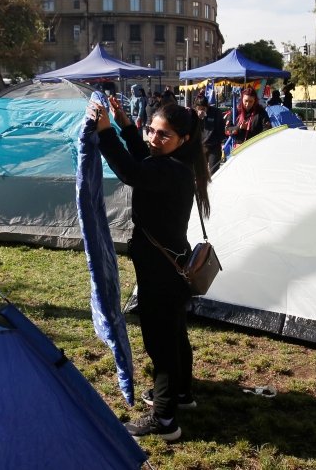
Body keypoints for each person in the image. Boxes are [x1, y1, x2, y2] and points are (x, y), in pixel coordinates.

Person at [91, 97, 210, 442]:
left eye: (164, 135)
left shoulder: (168, 170)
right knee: (174, 336)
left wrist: (105, 133)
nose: (153, 139)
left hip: (161, 271)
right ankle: (181, 394)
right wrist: (126, 125)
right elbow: (142, 158)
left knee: (161, 344)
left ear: (183, 139)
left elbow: (131, 171)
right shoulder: (174, 162)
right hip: (171, 266)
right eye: (151, 130)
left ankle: (164, 420)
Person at [194, 96, 226, 173]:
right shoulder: (193, 114)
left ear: (207, 106)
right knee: (199, 172)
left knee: (213, 171)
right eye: (199, 109)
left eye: (203, 109)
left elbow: (220, 128)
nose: (201, 111)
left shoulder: (216, 112)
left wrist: (222, 142)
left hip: (214, 145)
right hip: (200, 146)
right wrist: (198, 119)